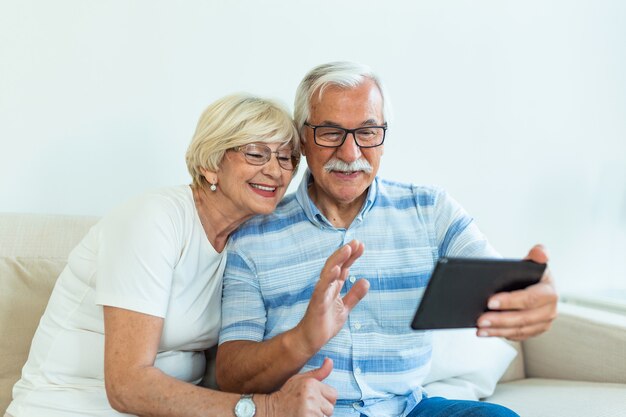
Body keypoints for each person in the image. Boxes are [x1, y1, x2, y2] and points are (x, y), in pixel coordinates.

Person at [216, 62, 559, 417]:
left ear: (383, 135)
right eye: (331, 133)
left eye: (367, 133)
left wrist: (537, 287)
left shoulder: (429, 209)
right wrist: (302, 338)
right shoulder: (254, 234)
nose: (350, 154)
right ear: (303, 139)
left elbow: (503, 282)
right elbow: (230, 374)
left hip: (409, 409)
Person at [6, 94, 338, 417]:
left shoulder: (245, 241)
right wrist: (266, 409)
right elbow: (127, 385)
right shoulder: (154, 220)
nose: (276, 171)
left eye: (286, 158)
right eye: (256, 154)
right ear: (210, 164)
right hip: (69, 408)